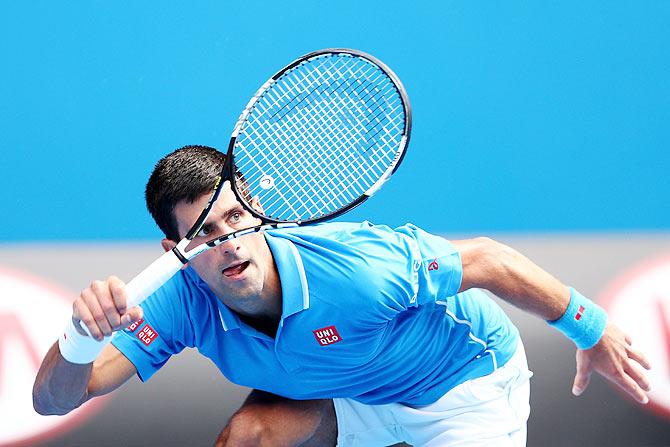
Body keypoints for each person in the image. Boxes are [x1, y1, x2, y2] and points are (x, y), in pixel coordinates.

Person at [33, 145, 651, 446]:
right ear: (175, 253)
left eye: (236, 218)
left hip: (462, 388)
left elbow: (489, 260)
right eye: (203, 234)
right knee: (247, 437)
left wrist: (590, 328)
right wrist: (79, 340)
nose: (228, 243)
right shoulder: (176, 303)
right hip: (347, 391)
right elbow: (55, 401)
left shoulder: (356, 268)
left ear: (258, 209)